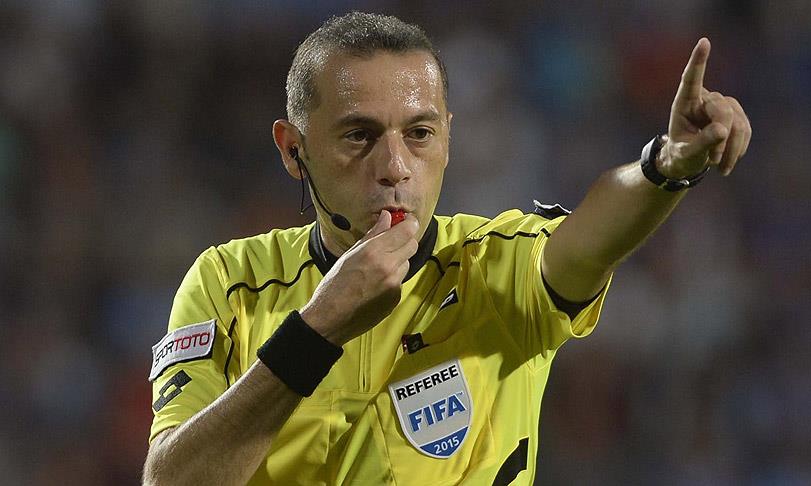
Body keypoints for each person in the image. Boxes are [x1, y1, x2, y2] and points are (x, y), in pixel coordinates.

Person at [142, 12, 751, 486]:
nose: (395, 166)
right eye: (359, 135)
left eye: (419, 133)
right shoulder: (229, 283)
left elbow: (592, 238)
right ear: (292, 149)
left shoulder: (493, 268)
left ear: (448, 138)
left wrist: (666, 165)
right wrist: (317, 330)